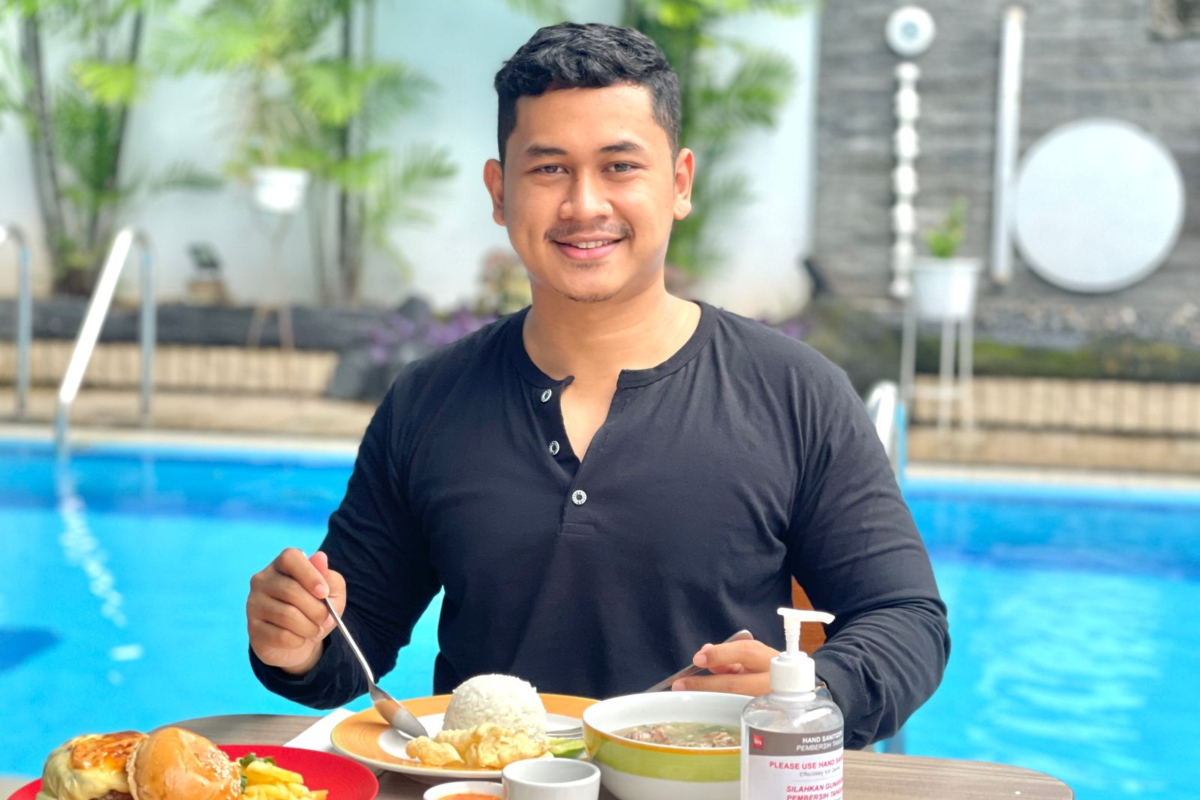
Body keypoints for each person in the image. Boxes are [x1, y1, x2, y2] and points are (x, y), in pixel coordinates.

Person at [246, 22, 949, 750]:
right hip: (484, 790)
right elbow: (354, 637)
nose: (585, 204)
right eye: (549, 169)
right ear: (499, 191)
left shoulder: (794, 393)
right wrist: (296, 639)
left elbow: (906, 619)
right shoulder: (429, 401)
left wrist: (809, 691)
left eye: (620, 166)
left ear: (679, 184)